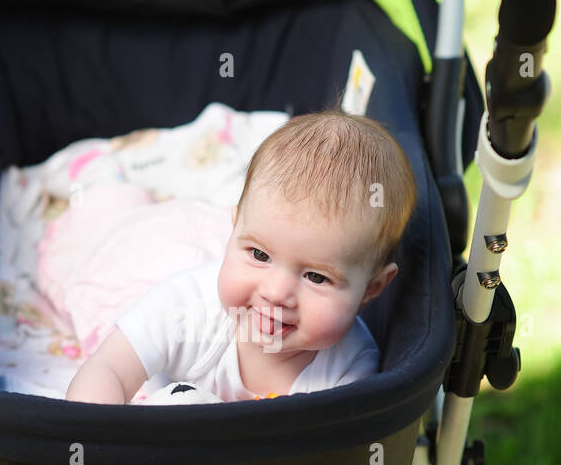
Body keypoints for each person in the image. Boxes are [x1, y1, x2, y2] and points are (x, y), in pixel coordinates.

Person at [65, 109, 417, 405]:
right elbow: (107, 368)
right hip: (157, 249)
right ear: (233, 232)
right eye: (259, 254)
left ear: (372, 288)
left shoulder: (349, 373)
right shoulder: (189, 309)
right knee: (99, 233)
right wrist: (99, 443)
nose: (277, 292)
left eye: (315, 277)